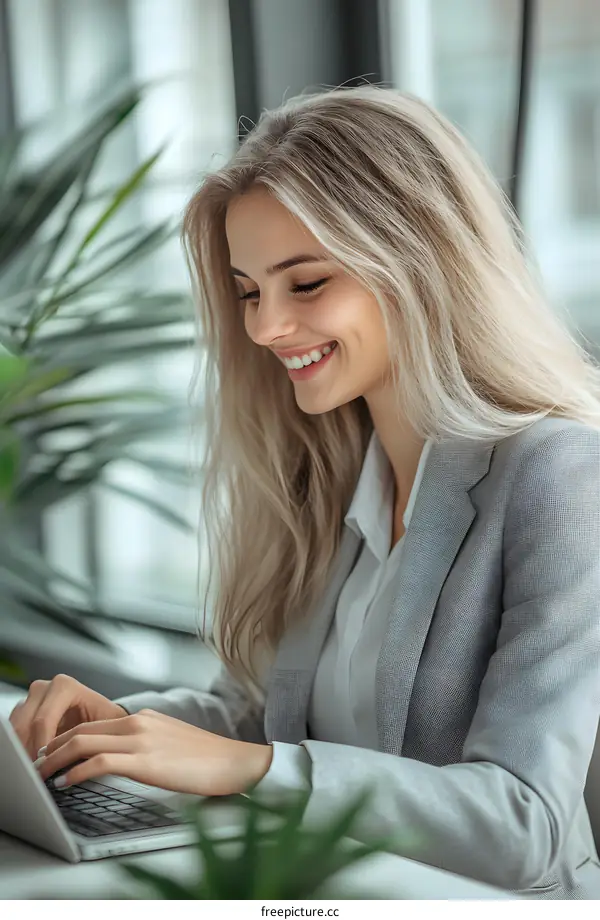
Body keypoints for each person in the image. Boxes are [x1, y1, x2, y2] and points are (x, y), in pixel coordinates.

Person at [10, 85, 600, 899]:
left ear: (420, 260)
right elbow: (265, 725)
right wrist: (113, 728)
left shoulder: (559, 475)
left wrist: (253, 770)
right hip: (319, 892)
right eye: (249, 291)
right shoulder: (326, 473)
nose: (263, 328)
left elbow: (522, 825)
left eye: (308, 282)